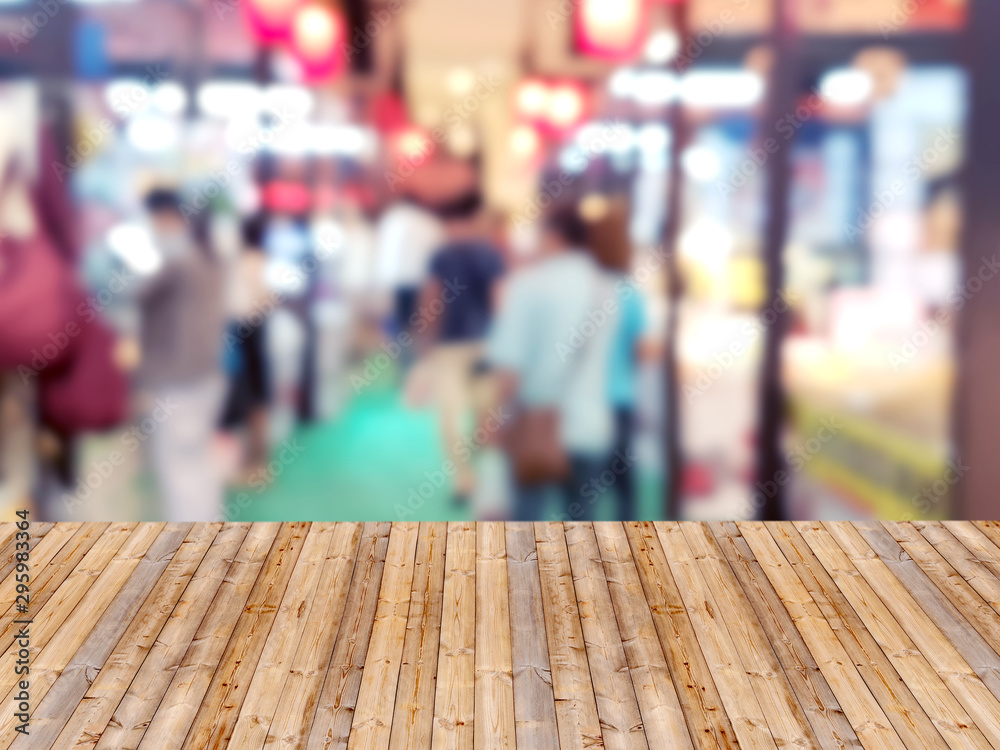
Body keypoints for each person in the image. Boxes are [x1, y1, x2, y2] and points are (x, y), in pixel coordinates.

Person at [487, 205, 619, 521]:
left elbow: (510, 367)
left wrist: (491, 416)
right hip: (590, 425)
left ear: (553, 236)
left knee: (523, 533)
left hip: (535, 424)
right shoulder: (608, 288)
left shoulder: (528, 285)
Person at [136, 188, 225, 521]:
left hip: (178, 382)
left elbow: (139, 295)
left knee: (178, 476)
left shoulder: (178, 261)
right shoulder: (210, 258)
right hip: (204, 377)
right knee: (198, 467)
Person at [419, 191, 505, 502]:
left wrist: (426, 339)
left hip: (451, 347)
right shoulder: (490, 254)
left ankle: (464, 477)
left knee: (450, 414)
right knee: (484, 412)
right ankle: (474, 471)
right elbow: (500, 302)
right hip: (485, 344)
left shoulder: (441, 256)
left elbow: (432, 300)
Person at [220, 214, 272, 480]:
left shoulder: (243, 261)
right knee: (256, 397)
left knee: (249, 397)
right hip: (253, 331)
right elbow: (267, 299)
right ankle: (255, 462)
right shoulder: (258, 260)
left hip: (244, 331)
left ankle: (255, 463)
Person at [374, 193, 443, 371]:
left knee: (399, 323)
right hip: (419, 279)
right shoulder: (428, 221)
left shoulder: (392, 219)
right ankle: (414, 363)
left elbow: (382, 249)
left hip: (396, 278)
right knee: (417, 324)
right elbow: (436, 248)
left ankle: (402, 362)